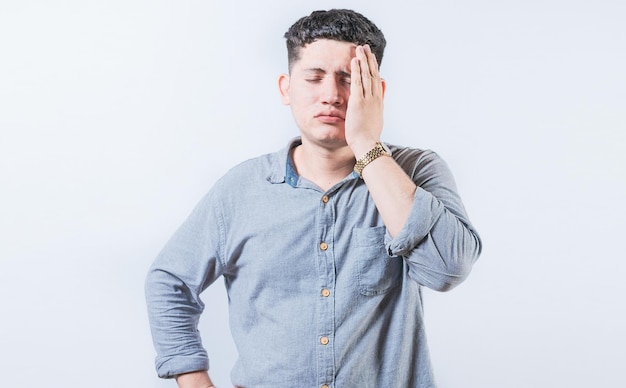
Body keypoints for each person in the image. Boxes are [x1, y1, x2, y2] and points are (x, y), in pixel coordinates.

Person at [145, 8, 482, 388]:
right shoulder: (240, 190)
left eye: (348, 79)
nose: (332, 95)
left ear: (376, 92)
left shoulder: (416, 171)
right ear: (286, 88)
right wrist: (193, 379)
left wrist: (367, 144)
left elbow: (447, 270)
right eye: (314, 77)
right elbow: (169, 280)